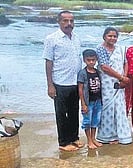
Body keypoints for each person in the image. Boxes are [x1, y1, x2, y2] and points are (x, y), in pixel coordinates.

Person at [43, 10, 84, 151]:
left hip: (75, 82)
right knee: (61, 114)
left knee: (74, 112)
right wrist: (50, 85)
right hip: (60, 82)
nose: (69, 24)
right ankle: (63, 142)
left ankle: (74, 138)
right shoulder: (52, 39)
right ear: (58, 21)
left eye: (71, 21)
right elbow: (49, 62)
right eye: (65, 21)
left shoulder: (77, 37)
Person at [96, 27, 132, 145]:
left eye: (115, 36)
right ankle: (107, 136)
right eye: (110, 36)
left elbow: (125, 63)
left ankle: (121, 135)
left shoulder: (120, 49)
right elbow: (104, 67)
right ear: (104, 36)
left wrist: (124, 79)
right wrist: (121, 78)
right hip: (107, 83)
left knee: (120, 107)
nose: (112, 38)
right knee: (108, 108)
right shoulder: (100, 49)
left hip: (120, 83)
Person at [77, 49, 103, 149]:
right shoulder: (82, 73)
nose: (91, 62)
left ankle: (93, 138)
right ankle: (89, 141)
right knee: (87, 121)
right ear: (84, 60)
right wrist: (83, 104)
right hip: (88, 102)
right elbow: (80, 89)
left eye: (93, 60)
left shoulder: (97, 72)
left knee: (95, 120)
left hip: (98, 100)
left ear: (96, 59)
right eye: (89, 60)